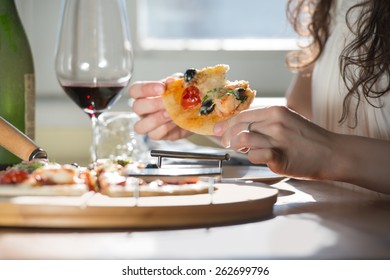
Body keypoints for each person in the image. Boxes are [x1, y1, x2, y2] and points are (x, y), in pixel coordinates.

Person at [129, 0, 390, 195]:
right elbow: (307, 121)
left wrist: (332, 155)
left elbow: (320, 145)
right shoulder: (327, 5)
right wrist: (212, 118)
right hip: (338, 224)